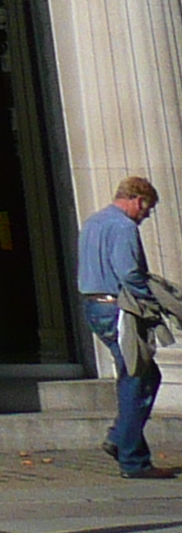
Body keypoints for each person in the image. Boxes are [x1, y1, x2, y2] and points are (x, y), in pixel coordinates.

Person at [81, 176, 166, 477]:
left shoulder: (92, 223)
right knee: (138, 375)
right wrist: (152, 300)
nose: (146, 216)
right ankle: (130, 456)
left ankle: (123, 440)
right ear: (137, 200)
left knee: (139, 374)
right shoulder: (123, 226)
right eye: (148, 208)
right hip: (117, 308)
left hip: (93, 306)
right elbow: (129, 272)